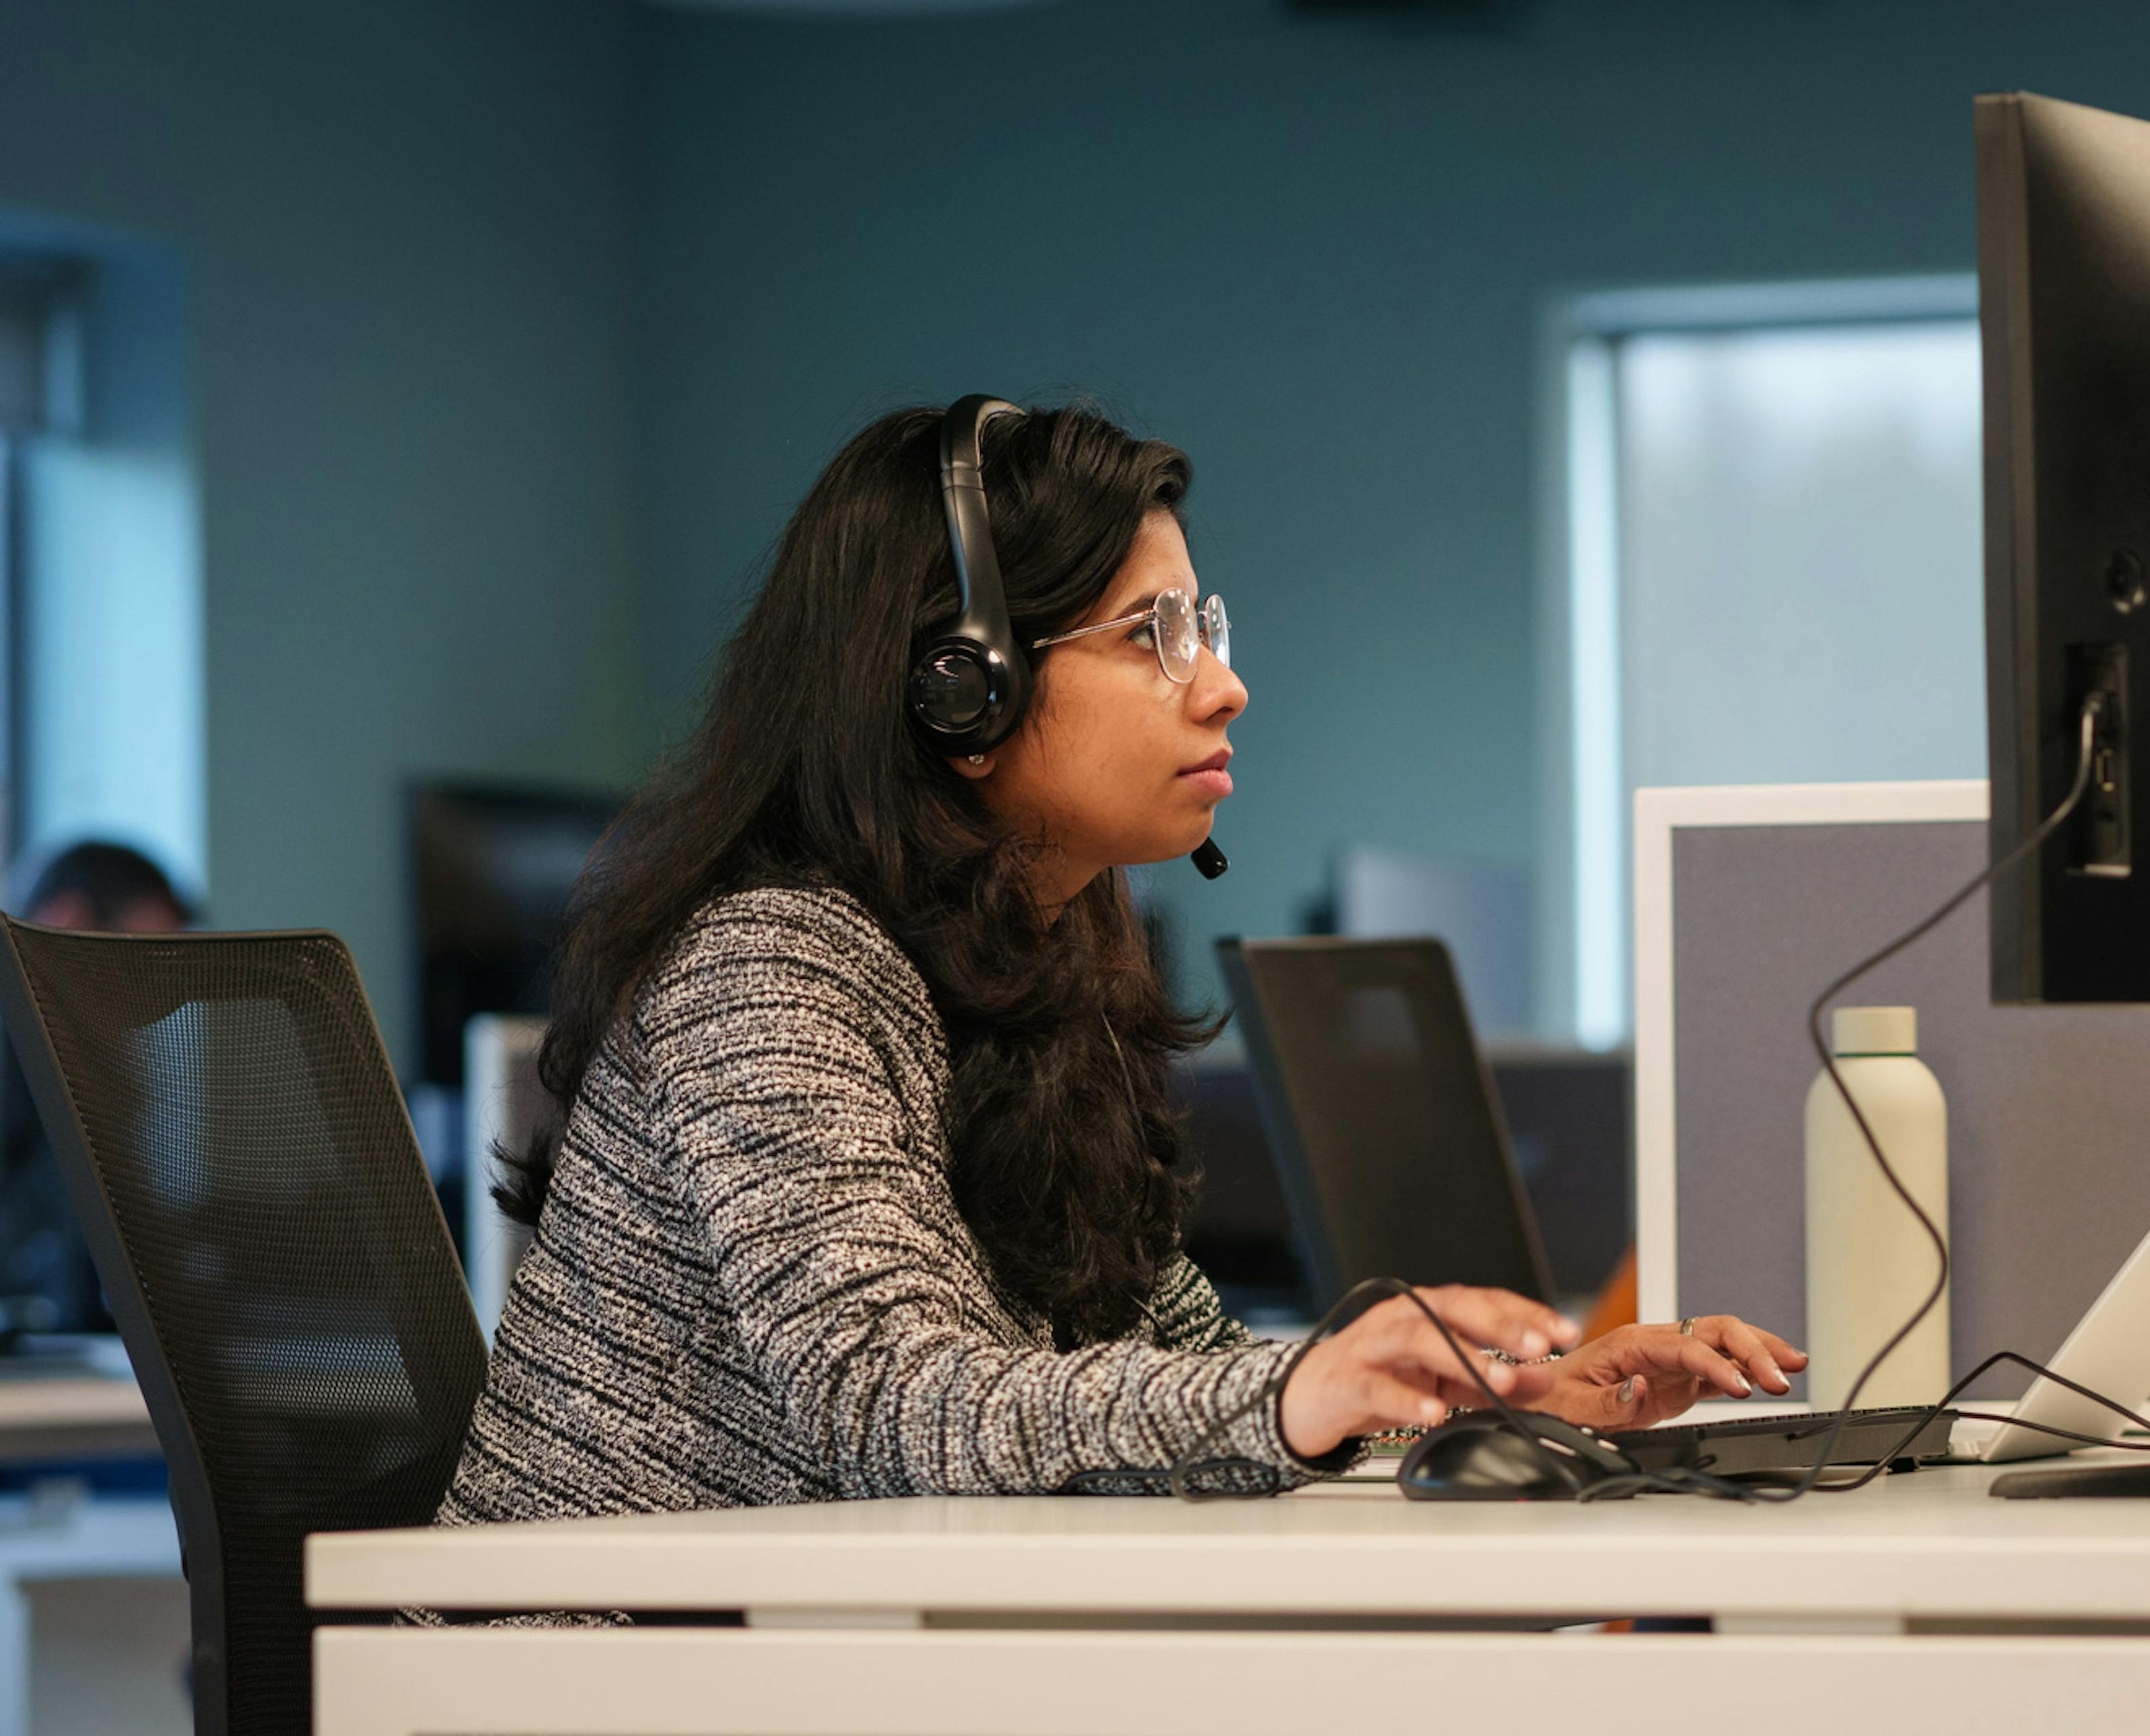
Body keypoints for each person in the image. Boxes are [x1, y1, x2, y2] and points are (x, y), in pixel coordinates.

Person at [439, 401, 1804, 1524]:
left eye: (1206, 626)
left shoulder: (1045, 963)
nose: (1221, 683)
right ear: (957, 688)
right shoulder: (767, 972)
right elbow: (892, 1403)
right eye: (1154, 636)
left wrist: (1494, 1407)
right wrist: (1298, 1395)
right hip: (602, 1668)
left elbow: (1184, 1371)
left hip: (837, 1647)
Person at [0, 841, 195, 1339]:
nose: (149, 988)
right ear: (66, 919)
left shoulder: (97, 1061)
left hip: (72, 1341)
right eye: (134, 957)